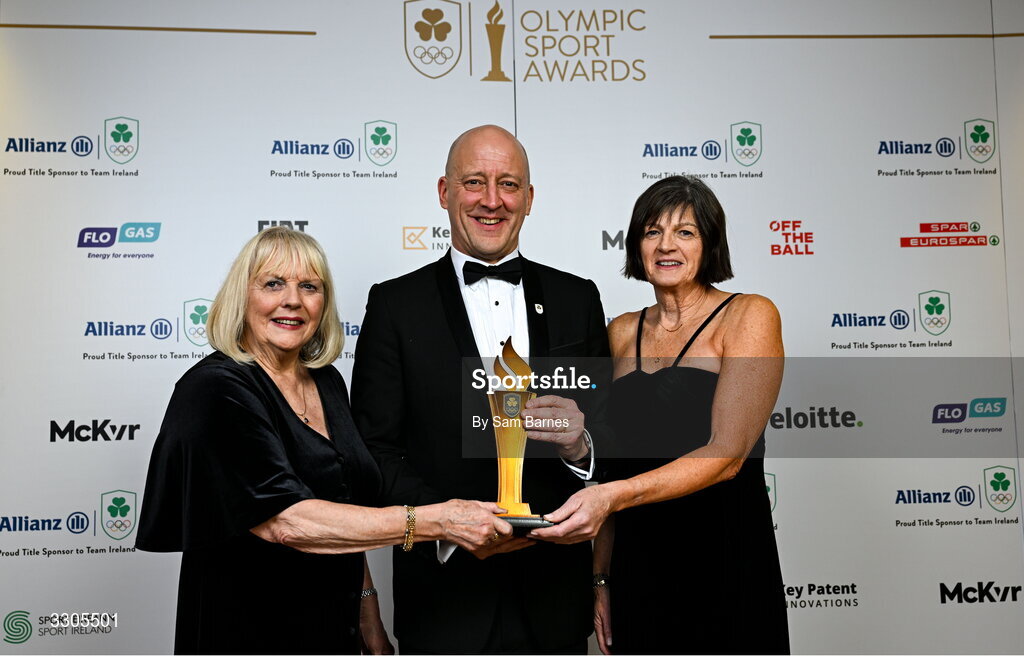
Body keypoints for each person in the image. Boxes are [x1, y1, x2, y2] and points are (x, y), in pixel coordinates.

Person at [136, 227, 512, 655]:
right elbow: (287, 522)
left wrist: (369, 616)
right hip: (248, 632)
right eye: (273, 283)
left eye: (309, 286)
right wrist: (437, 521)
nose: (292, 300)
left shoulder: (327, 381)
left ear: (323, 303)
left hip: (334, 632)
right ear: (242, 297)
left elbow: (344, 507)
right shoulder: (214, 390)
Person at [350, 125, 610, 654]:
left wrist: (578, 447)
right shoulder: (395, 306)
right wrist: (447, 526)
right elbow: (375, 452)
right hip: (444, 603)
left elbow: (608, 443)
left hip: (554, 602)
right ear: (445, 192)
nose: (492, 200)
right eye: (474, 182)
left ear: (529, 198)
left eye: (508, 184)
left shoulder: (576, 299)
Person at [530, 175, 790, 654]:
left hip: (725, 556)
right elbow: (610, 463)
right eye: (652, 231)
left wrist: (612, 495)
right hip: (639, 562)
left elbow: (727, 455)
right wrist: (601, 578)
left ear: (709, 243)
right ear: (636, 245)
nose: (666, 245)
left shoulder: (749, 315)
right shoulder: (621, 332)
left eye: (685, 232)